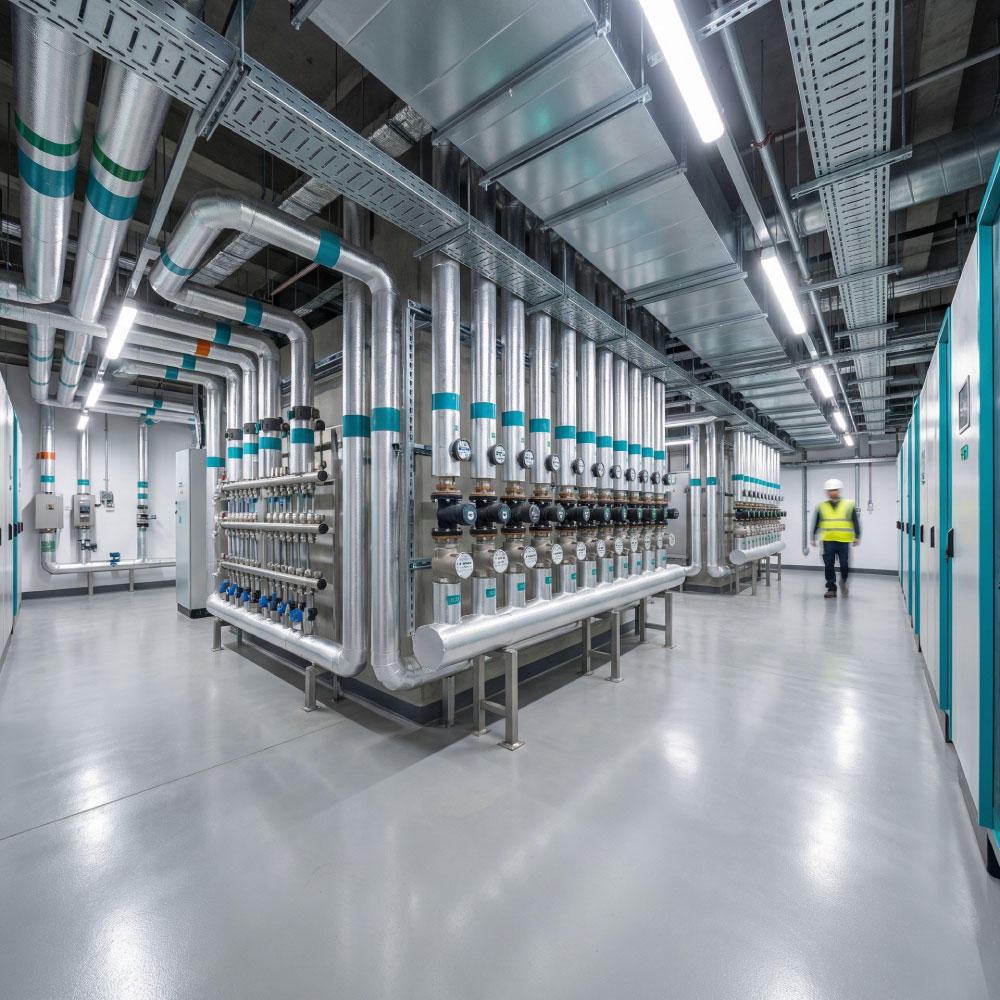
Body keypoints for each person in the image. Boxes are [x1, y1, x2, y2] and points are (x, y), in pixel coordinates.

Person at [810, 478, 860, 597]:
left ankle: (843, 581)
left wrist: (857, 536)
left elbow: (855, 521)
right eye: (830, 490)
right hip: (828, 540)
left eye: (834, 490)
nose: (832, 492)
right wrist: (813, 537)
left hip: (843, 540)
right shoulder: (821, 506)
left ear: (839, 490)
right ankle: (831, 588)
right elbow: (816, 522)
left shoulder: (848, 504)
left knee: (844, 565)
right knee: (829, 565)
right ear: (827, 492)